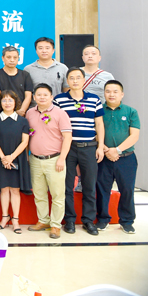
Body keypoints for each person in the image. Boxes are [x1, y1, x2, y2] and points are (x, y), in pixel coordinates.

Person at [54, 68, 104, 236]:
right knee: (66, 185)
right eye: (71, 78)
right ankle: (69, 220)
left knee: (89, 185)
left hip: (89, 147)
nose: (75, 81)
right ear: (67, 81)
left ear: (83, 80)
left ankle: (88, 220)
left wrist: (100, 146)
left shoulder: (94, 99)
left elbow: (99, 124)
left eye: (78, 78)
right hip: (68, 148)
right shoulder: (59, 100)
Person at [26, 84, 72, 239]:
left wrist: (62, 158)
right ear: (34, 97)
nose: (42, 97)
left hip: (55, 160)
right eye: (39, 94)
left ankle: (56, 225)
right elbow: (27, 136)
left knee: (57, 194)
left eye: (45, 95)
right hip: (35, 159)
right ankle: (43, 220)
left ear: (51, 97)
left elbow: (67, 137)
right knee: (39, 193)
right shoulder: (30, 113)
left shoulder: (60, 113)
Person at [96, 80, 140, 234]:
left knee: (127, 190)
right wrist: (106, 149)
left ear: (122, 94)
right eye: (108, 91)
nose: (111, 94)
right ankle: (103, 219)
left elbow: (134, 135)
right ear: (104, 93)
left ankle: (127, 221)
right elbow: (95, 132)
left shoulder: (131, 111)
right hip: (104, 157)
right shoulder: (99, 111)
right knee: (102, 190)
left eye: (115, 91)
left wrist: (118, 150)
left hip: (127, 158)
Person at [0, 90, 31, 234]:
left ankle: (16, 220)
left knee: (15, 189)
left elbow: (25, 142)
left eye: (10, 100)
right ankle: (4, 217)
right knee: (4, 188)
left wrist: (11, 157)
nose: (7, 103)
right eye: (4, 100)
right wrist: (3, 158)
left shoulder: (23, 121)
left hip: (16, 158)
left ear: (15, 102)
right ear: (0, 103)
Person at [0, 46, 33, 115]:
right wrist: (10, 112)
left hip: (21, 115)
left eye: (15, 57)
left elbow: (28, 96)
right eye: (8, 57)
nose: (12, 60)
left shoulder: (25, 75)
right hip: (2, 114)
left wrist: (22, 110)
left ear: (18, 58)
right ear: (3, 58)